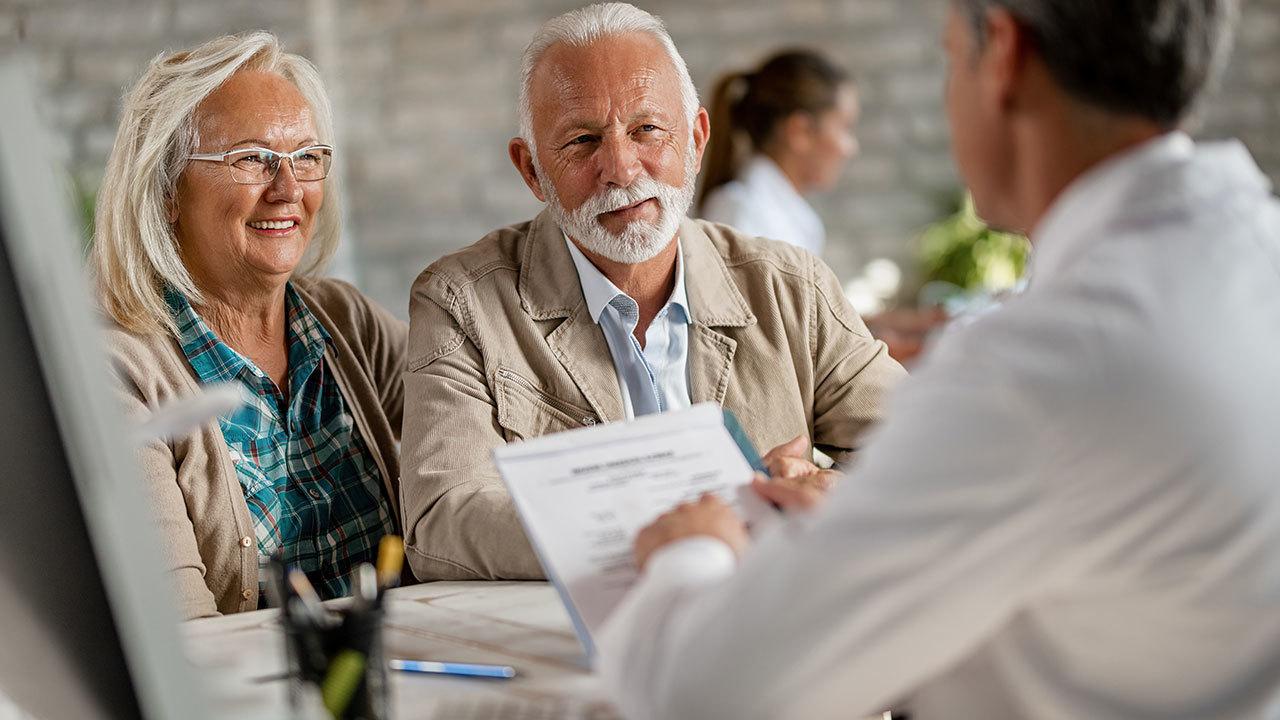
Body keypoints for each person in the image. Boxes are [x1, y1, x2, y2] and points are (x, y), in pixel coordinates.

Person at [599, 1, 1280, 718]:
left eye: (950, 56)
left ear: (1004, 56)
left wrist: (692, 550)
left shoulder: (1035, 370)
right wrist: (872, 515)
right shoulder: (1254, 254)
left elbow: (703, 693)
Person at [399, 3, 905, 582]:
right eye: (583, 140)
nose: (620, 167)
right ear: (532, 170)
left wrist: (829, 492)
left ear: (696, 138)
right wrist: (665, 530)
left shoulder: (792, 287)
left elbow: (924, 449)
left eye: (647, 130)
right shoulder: (460, 303)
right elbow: (441, 521)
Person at [94, 32, 408, 619]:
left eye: (306, 158)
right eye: (252, 159)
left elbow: (478, 444)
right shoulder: (118, 374)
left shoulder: (347, 322)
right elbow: (183, 635)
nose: (288, 189)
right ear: (166, 191)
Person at [697, 49, 859, 257]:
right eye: (844, 128)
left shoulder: (789, 216)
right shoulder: (740, 212)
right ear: (799, 132)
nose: (851, 148)